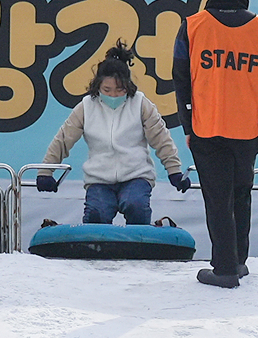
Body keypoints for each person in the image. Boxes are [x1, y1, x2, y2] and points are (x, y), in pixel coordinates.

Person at [173, 0, 258, 288]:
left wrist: (188, 125)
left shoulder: (193, 26)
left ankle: (224, 270)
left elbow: (180, 79)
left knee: (217, 198)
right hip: (247, 129)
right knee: (241, 193)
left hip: (207, 126)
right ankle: (238, 261)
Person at [37, 41, 189, 223]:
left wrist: (174, 171)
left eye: (120, 90)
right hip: (99, 180)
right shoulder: (86, 107)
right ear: (97, 86)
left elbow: (161, 139)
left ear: (128, 86)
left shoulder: (141, 104)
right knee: (97, 214)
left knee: (136, 206)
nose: (113, 95)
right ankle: (96, 250)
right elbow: (63, 140)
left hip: (136, 176)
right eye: (106, 90)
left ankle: (139, 249)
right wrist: (46, 172)